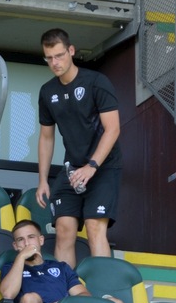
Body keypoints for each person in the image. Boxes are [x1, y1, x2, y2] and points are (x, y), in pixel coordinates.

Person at [35, 28, 123, 270]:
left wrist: (92, 166)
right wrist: (43, 179)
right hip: (71, 169)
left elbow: (113, 129)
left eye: (59, 55)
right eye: (49, 58)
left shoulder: (96, 82)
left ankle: (103, 291)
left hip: (104, 167)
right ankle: (67, 297)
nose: (55, 62)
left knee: (95, 227)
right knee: (63, 229)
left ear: (71, 51)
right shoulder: (47, 91)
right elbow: (46, 137)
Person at [0, 220, 123, 303]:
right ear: (15, 246)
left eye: (31, 237)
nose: (27, 243)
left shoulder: (61, 267)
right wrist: (21, 257)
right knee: (30, 298)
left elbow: (84, 294)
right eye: (20, 240)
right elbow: (8, 294)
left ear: (41, 240)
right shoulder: (11, 268)